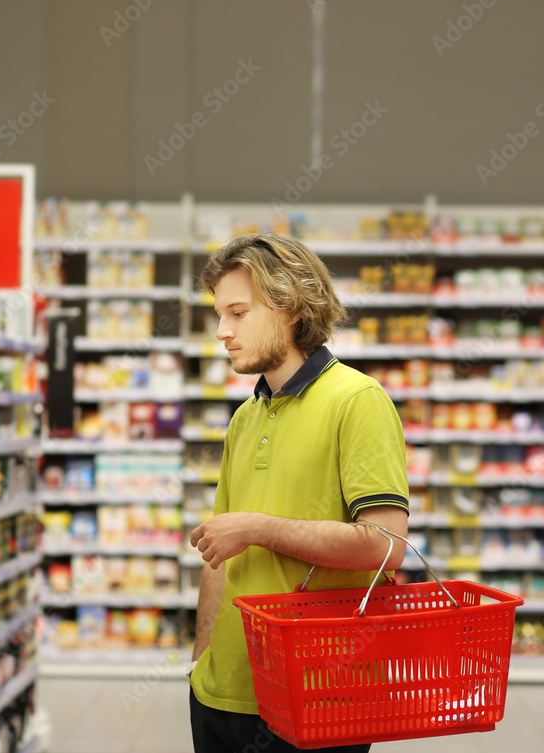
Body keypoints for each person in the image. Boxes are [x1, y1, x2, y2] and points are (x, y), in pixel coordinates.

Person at [187, 232, 409, 753]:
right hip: (222, 693)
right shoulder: (245, 417)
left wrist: (259, 529)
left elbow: (385, 544)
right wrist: (201, 666)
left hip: (319, 694)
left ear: (290, 307)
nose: (222, 331)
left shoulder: (357, 400)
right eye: (219, 314)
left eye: (238, 313)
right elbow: (217, 555)